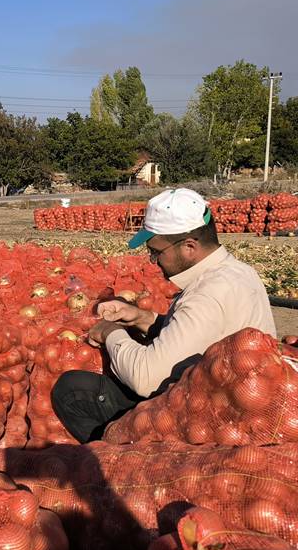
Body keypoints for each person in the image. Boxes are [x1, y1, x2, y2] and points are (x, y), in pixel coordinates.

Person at [51, 188, 276, 443]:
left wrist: (109, 332)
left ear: (189, 246)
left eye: (157, 252)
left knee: (72, 390)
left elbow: (146, 379)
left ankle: (119, 462)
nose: (153, 260)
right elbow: (197, 336)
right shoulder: (236, 272)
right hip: (224, 395)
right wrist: (141, 318)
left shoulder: (208, 294)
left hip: (209, 419)